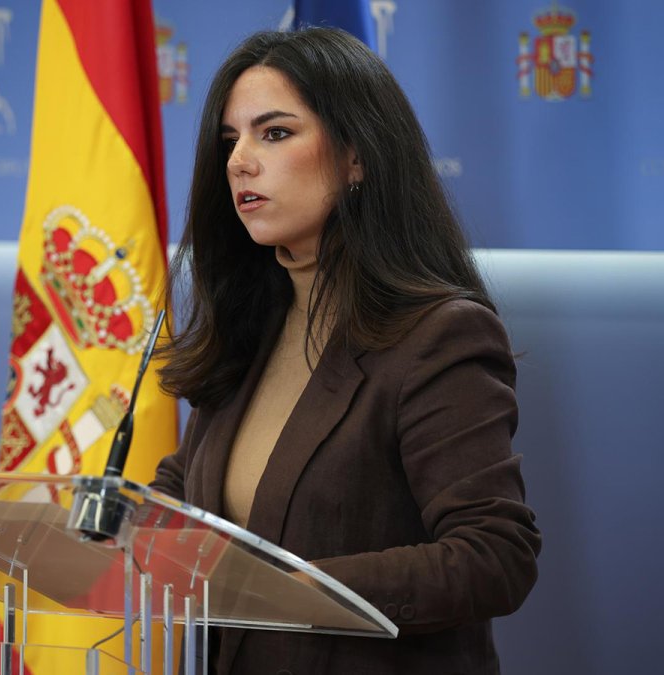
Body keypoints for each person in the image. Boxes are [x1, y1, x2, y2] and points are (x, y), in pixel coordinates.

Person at [151, 27, 541, 675]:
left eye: (274, 133)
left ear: (356, 156)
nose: (239, 161)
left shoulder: (437, 335)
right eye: (231, 140)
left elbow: (495, 555)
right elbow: (187, 494)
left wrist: (289, 590)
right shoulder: (250, 329)